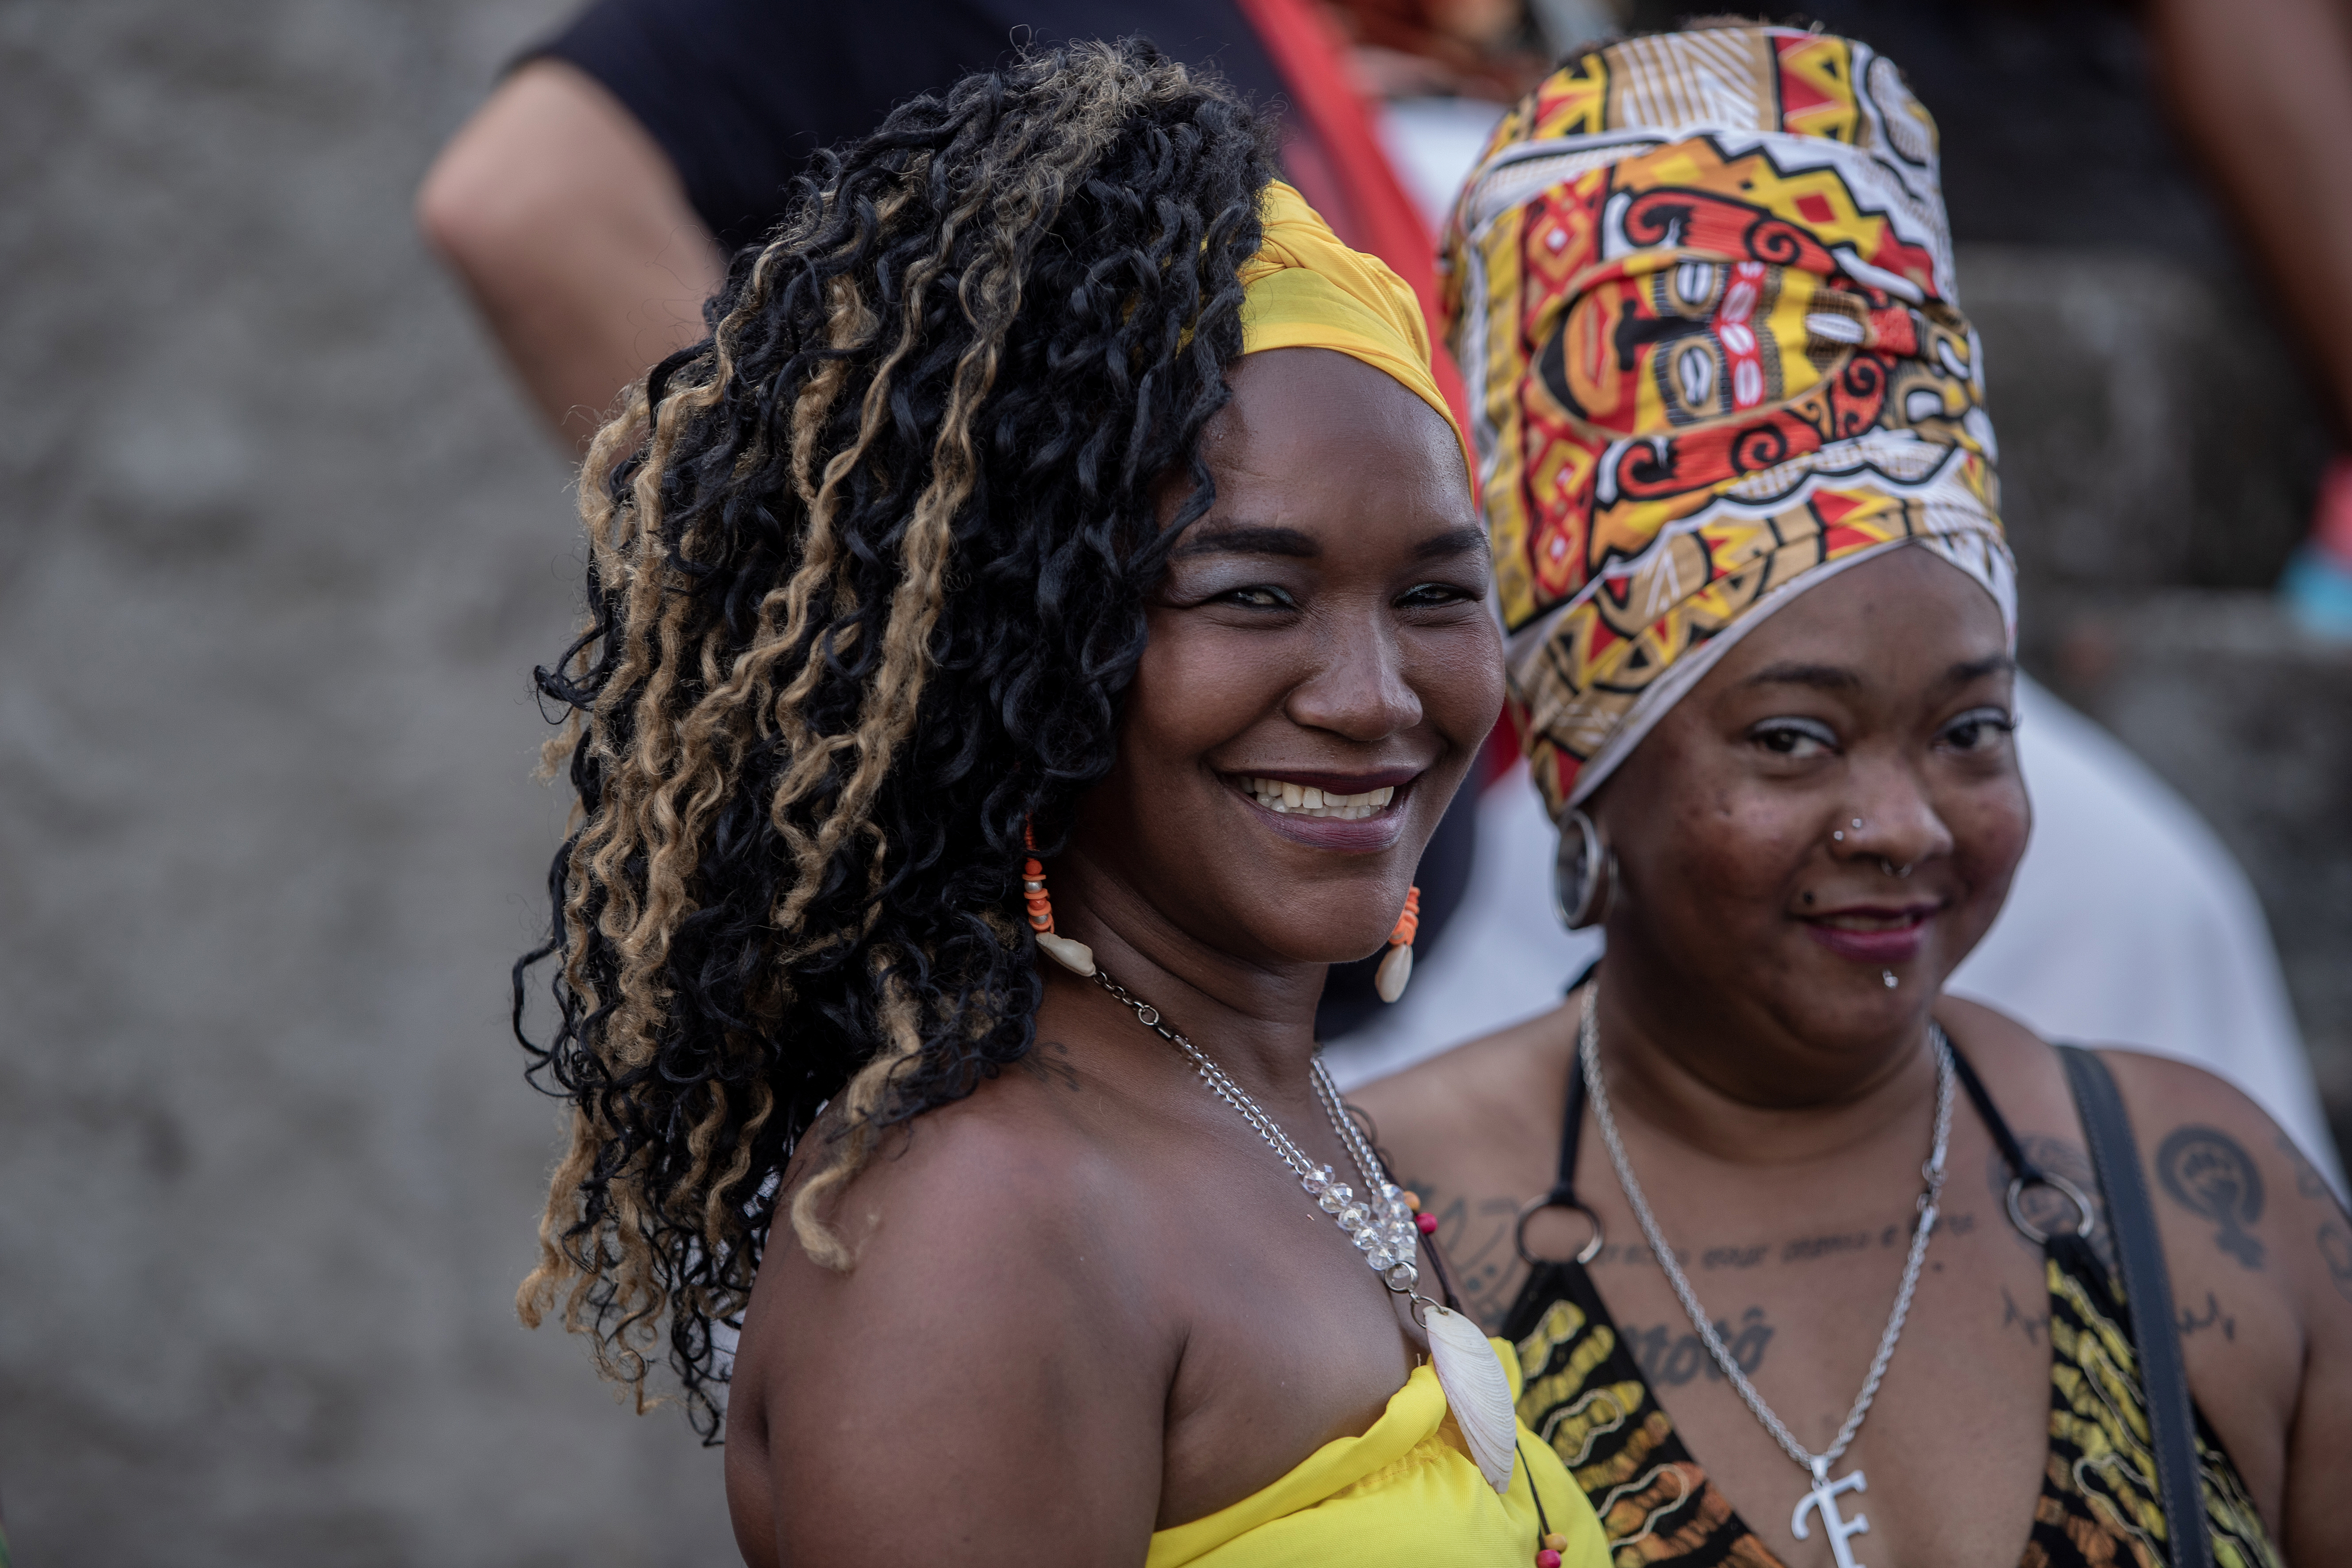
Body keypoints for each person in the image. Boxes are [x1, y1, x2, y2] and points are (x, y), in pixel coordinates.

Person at [514, 42, 1608, 1564]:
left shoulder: (1273, 1124)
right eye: (1251, 595)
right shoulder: (987, 1220)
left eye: (1434, 592)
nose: (1372, 695)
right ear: (1023, 648)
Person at [1355, 26, 2352, 1568]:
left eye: (1968, 731)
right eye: (1793, 742)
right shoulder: (1372, 1245)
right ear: (1587, 775)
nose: (1903, 823)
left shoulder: (2195, 1202)